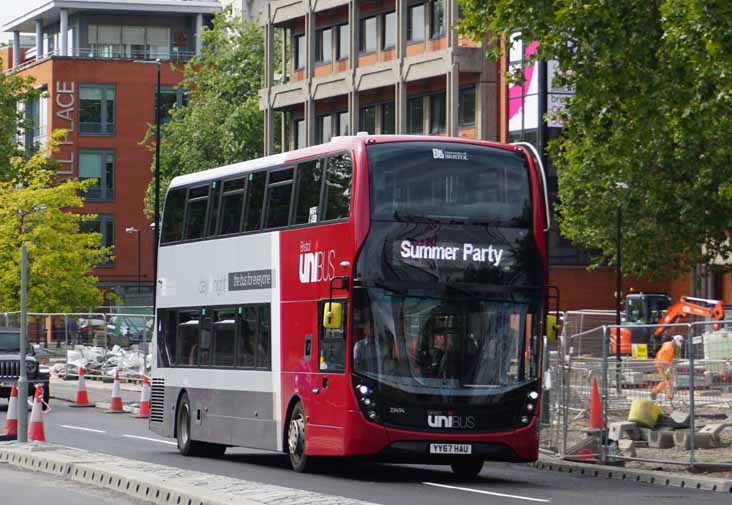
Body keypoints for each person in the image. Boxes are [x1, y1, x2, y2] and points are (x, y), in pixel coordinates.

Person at [651, 334, 683, 401]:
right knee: (667, 380)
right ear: (674, 341)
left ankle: (656, 392)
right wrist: (669, 367)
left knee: (668, 380)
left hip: (662, 363)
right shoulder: (669, 349)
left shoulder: (667, 343)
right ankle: (668, 396)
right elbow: (664, 361)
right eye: (676, 344)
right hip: (662, 365)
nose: (677, 345)